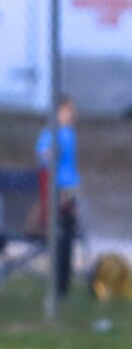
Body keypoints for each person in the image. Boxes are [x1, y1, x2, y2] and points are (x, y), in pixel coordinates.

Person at [35, 95, 80, 297]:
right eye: (68, 110)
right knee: (62, 235)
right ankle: (59, 285)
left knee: (68, 234)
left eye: (73, 110)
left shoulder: (69, 133)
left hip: (70, 190)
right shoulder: (51, 134)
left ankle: (63, 282)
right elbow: (45, 158)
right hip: (58, 190)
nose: (73, 114)